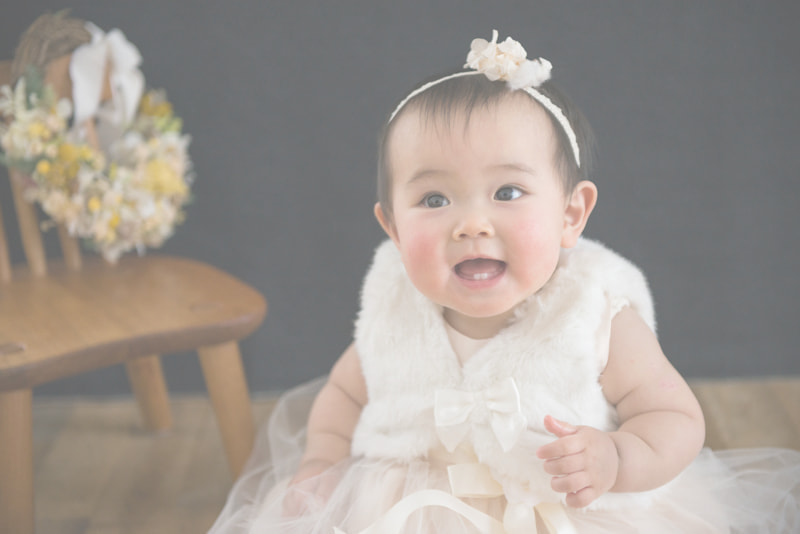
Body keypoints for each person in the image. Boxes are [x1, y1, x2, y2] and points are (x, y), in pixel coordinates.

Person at [210, 31, 800, 533]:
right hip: (414, 514)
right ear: (392, 227)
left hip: (562, 512)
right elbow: (342, 395)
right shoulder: (394, 307)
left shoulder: (593, 312)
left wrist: (617, 457)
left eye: (508, 192)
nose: (472, 224)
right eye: (434, 199)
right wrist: (321, 460)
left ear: (570, 214)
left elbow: (675, 417)